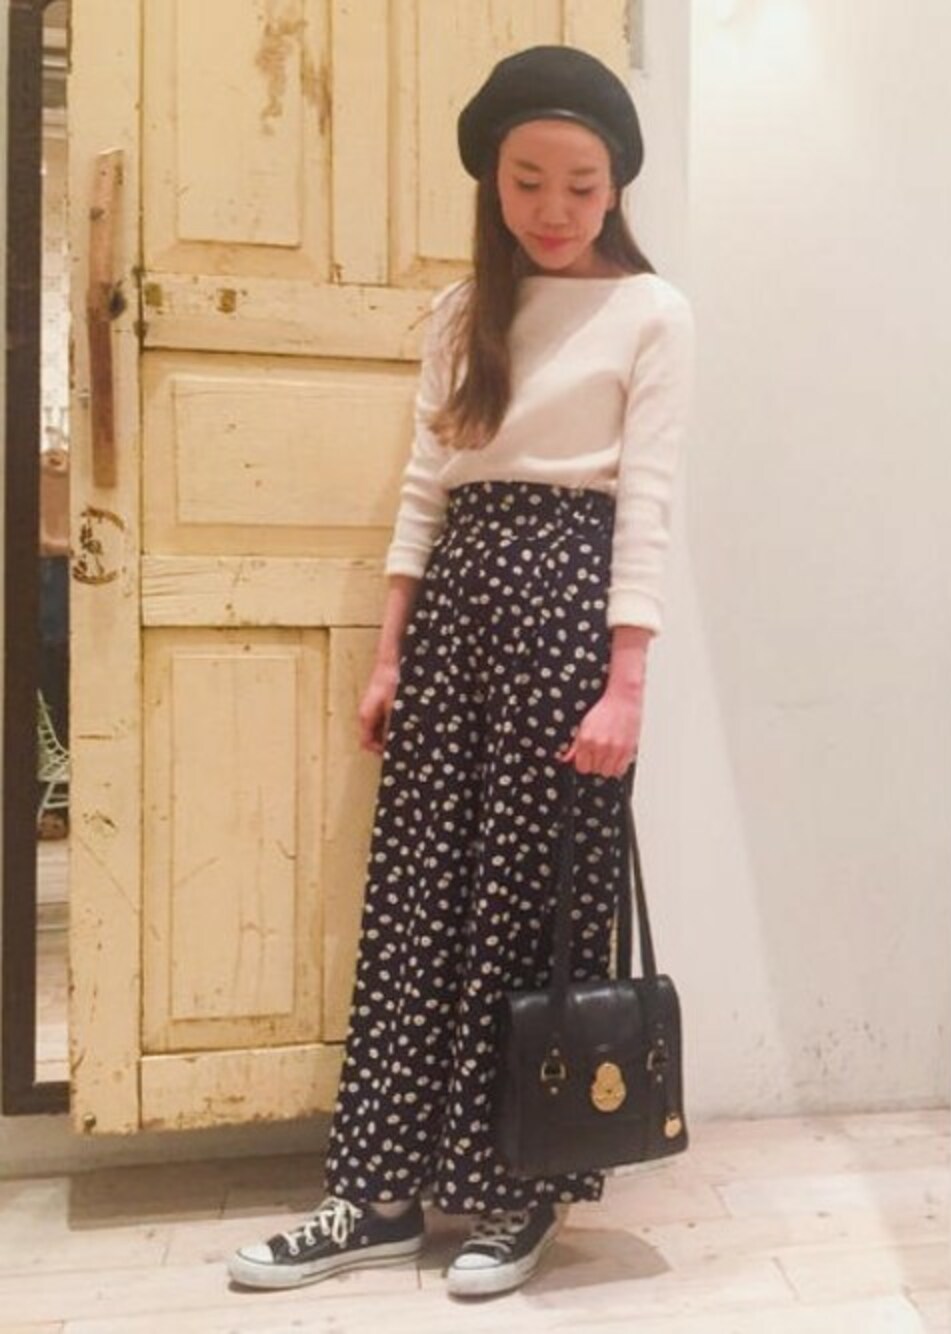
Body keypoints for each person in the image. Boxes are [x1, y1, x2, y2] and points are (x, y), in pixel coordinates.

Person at [228, 43, 695, 1301]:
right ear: (491, 177)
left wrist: (627, 683)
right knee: (415, 902)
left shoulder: (652, 312)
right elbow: (425, 489)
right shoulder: (457, 312)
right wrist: (389, 650)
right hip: (453, 618)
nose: (553, 207)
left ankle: (515, 1188)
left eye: (580, 185)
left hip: (567, 618)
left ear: (617, 185)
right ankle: (377, 1193)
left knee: (531, 912)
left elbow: (646, 507)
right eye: (527, 180)